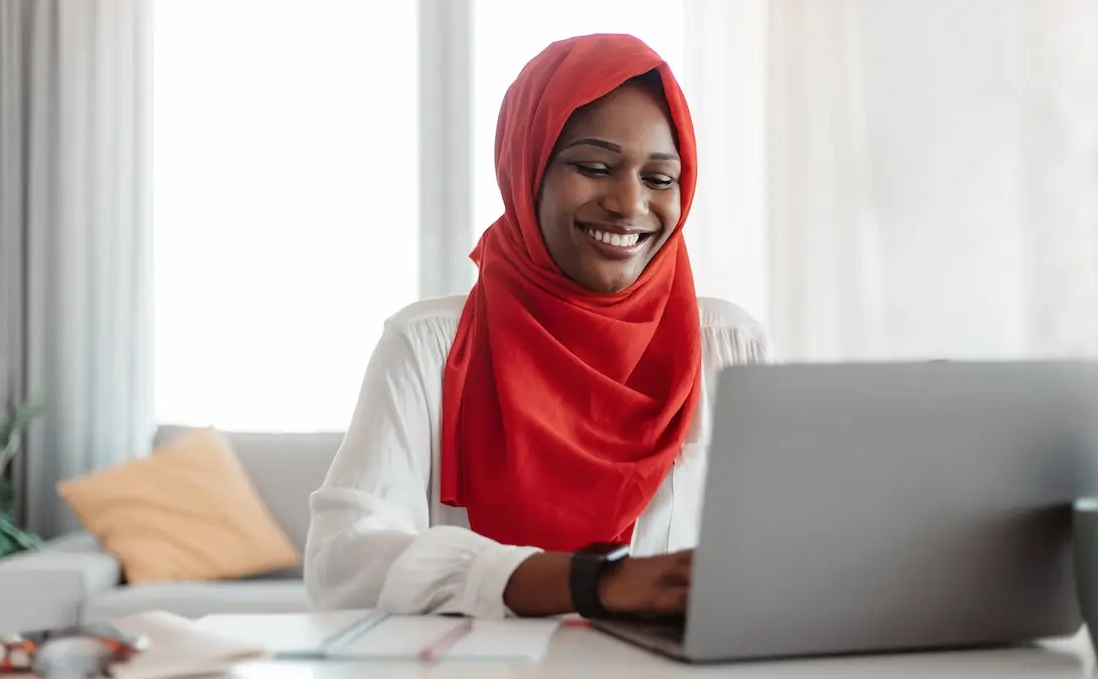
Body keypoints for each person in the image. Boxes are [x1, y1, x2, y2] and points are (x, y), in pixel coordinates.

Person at [304, 33, 775, 621]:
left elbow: (783, 552)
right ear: (525, 170)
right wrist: (589, 583)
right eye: (595, 167)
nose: (630, 204)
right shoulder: (429, 347)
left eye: (659, 179)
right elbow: (344, 564)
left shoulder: (729, 347)